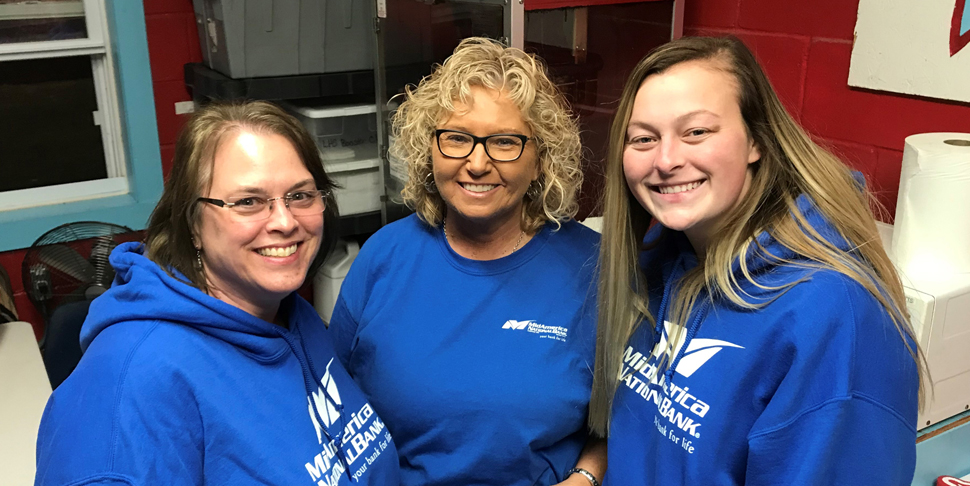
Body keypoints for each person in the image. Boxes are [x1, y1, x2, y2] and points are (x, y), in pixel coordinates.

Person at [589, 36, 924, 484]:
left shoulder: (834, 317)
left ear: (756, 141)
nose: (665, 160)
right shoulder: (664, 256)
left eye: (697, 132)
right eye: (644, 138)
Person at [34, 101, 400, 485]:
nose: (284, 221)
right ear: (193, 223)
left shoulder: (287, 313)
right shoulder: (131, 385)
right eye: (247, 202)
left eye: (301, 195)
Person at [328, 37, 605, 486]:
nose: (477, 163)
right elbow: (332, 403)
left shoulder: (592, 269)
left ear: (539, 161)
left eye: (504, 142)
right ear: (430, 151)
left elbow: (632, 416)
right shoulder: (383, 257)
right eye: (456, 139)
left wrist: (585, 477)